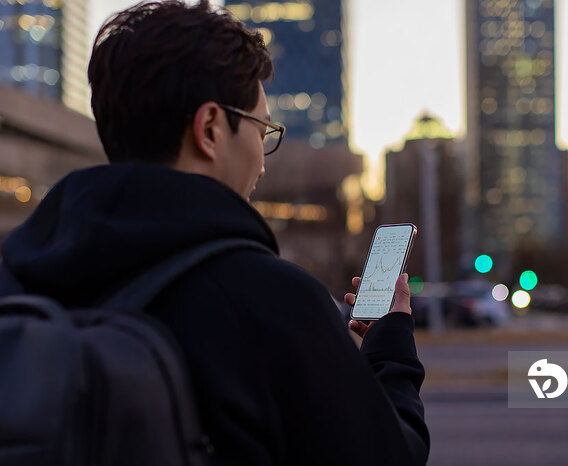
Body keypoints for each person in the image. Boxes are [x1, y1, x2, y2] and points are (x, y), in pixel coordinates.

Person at [0, 1, 429, 465]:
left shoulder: (16, 280)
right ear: (209, 128)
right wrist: (391, 345)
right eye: (262, 130)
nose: (264, 161)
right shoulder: (274, 303)